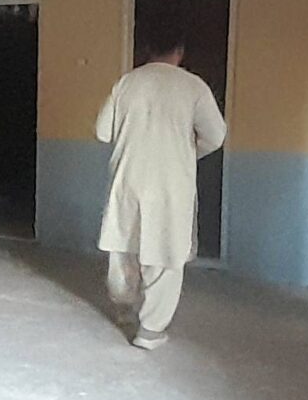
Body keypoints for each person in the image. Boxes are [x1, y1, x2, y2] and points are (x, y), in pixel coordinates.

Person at [94, 33, 227, 349]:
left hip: (129, 177)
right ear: (179, 51)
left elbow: (102, 132)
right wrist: (187, 152)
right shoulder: (193, 87)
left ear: (147, 50)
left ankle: (124, 309)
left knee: (123, 245)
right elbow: (215, 135)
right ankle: (150, 330)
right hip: (171, 183)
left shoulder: (126, 83)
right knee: (165, 254)